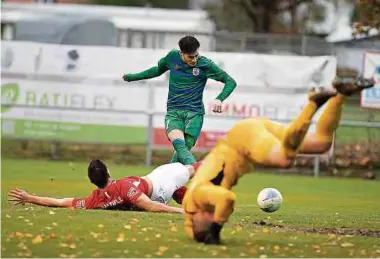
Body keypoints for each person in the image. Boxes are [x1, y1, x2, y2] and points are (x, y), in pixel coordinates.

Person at [181, 77, 375, 244]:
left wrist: (215, 231)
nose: (211, 215)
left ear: (198, 215)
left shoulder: (198, 196)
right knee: (321, 143)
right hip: (251, 131)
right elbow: (194, 228)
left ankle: (313, 103)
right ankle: (340, 95)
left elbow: (227, 199)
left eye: (208, 217)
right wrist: (206, 233)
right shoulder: (194, 213)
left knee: (284, 159)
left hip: (242, 142)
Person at [122, 35, 237, 166]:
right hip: (174, 111)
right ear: (181, 53)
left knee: (182, 151)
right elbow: (156, 70)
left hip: (195, 113)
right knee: (180, 146)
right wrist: (132, 77)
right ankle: (197, 171)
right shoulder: (172, 57)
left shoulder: (205, 64)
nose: (194, 60)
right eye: (190, 57)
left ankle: (170, 183)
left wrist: (219, 99)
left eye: (196, 55)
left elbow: (230, 82)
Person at [8, 159, 201, 213]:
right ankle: (225, 161)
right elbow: (149, 205)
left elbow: (60, 202)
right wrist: (180, 213)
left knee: (179, 186)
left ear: (92, 182)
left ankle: (188, 199)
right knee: (192, 168)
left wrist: (30, 198)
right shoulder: (123, 187)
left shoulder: (95, 200)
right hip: (158, 184)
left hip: (156, 191)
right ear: (108, 172)